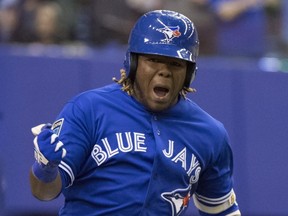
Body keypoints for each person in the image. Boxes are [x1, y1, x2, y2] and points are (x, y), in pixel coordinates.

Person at [29, 10, 241, 216]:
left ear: (189, 74)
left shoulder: (210, 133)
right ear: (133, 63)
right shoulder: (89, 109)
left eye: (175, 64)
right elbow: (44, 192)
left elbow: (222, 209)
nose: (164, 71)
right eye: (154, 60)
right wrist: (45, 168)